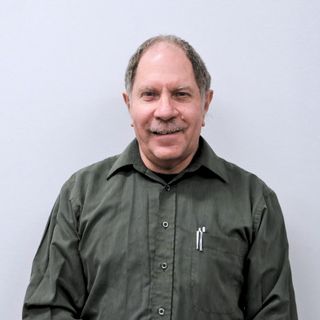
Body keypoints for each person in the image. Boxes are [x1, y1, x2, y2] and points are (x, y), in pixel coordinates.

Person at [23, 35, 298, 320]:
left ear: (205, 103)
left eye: (181, 94)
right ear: (129, 104)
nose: (165, 111)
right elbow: (47, 310)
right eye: (150, 94)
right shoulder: (79, 196)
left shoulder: (254, 202)